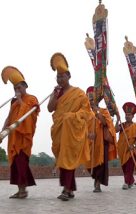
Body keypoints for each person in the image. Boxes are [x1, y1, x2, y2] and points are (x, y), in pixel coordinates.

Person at [47, 52, 92, 201]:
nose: (60, 79)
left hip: (73, 130)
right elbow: (50, 108)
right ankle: (70, 189)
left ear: (69, 77)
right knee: (63, 158)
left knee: (68, 159)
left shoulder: (79, 93)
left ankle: (66, 189)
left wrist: (72, 116)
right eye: (57, 77)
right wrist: (54, 95)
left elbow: (86, 111)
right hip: (59, 130)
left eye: (62, 77)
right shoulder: (57, 93)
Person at [1, 66, 39, 199]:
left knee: (21, 163)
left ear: (25, 86)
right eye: (15, 88)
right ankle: (20, 189)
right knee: (15, 165)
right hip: (13, 137)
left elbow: (30, 115)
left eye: (19, 87)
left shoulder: (32, 99)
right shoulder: (13, 102)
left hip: (24, 137)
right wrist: (3, 129)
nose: (17, 90)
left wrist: (20, 100)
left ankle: (23, 190)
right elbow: (10, 116)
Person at [85, 86, 117, 193]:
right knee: (90, 165)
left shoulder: (103, 111)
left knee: (101, 165)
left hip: (102, 143)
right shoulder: (85, 112)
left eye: (92, 99)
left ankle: (98, 184)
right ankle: (96, 180)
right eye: (89, 98)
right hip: (89, 142)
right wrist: (87, 135)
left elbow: (105, 123)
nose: (90, 100)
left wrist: (97, 111)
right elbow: (81, 127)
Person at [115, 102, 136, 190]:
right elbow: (115, 130)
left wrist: (134, 145)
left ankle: (126, 182)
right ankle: (130, 181)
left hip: (131, 149)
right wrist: (118, 120)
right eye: (126, 115)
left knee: (129, 166)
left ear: (133, 116)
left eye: (129, 115)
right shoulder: (122, 125)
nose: (127, 116)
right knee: (124, 167)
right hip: (122, 149)